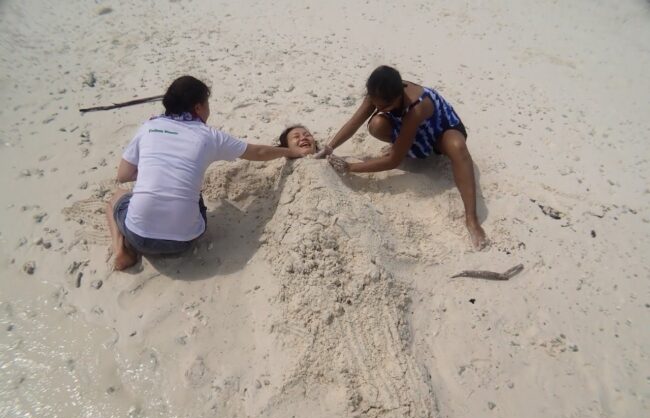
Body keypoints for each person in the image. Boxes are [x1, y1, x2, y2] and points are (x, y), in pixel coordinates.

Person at [106, 75, 311, 271]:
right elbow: (257, 152)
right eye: (207, 104)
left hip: (137, 235)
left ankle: (121, 250)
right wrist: (291, 151)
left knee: (116, 197)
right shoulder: (209, 136)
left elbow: (123, 175)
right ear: (198, 107)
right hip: (185, 240)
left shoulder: (149, 126)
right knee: (193, 194)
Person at [316, 65, 488, 249]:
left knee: (458, 148)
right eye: (375, 104)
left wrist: (350, 167)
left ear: (399, 95)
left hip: (440, 130)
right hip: (411, 129)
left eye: (384, 106)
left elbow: (394, 161)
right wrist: (329, 148)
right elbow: (355, 121)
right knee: (376, 124)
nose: (379, 108)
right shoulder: (377, 92)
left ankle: (472, 220)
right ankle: (406, 146)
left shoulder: (417, 106)